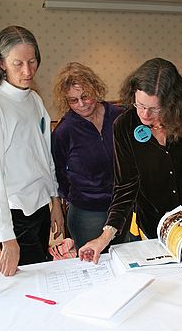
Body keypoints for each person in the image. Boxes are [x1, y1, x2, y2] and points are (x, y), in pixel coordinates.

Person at [78, 58, 182, 263]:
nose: (145, 114)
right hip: (153, 225)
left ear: (173, 104)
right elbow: (125, 186)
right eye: (140, 105)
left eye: (155, 109)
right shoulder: (124, 126)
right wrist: (105, 237)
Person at [0, 26, 64, 276]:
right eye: (17, 63)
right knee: (28, 288)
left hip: (40, 208)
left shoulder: (35, 100)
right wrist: (7, 238)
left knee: (43, 279)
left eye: (32, 62)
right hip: (15, 213)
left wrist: (55, 202)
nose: (27, 71)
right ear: (1, 64)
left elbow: (45, 155)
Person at [51, 62, 126, 251]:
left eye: (85, 96)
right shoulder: (64, 131)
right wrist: (70, 198)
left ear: (96, 89)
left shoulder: (119, 116)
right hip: (88, 213)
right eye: (73, 100)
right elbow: (57, 173)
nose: (82, 104)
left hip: (126, 207)